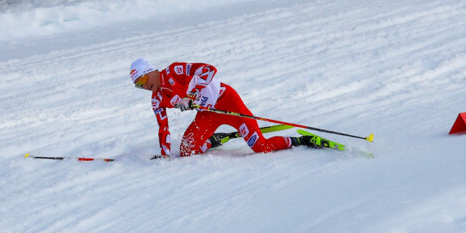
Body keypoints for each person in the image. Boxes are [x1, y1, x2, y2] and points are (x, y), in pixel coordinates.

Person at [129, 58, 327, 158]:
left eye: (144, 79)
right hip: (208, 114)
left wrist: (190, 95)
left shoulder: (174, 71)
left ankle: (302, 139)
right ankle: (214, 140)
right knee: (186, 151)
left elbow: (209, 70)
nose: (145, 86)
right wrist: (164, 156)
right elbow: (163, 128)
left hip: (228, 103)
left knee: (261, 148)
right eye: (139, 85)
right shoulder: (157, 99)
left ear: (151, 71)